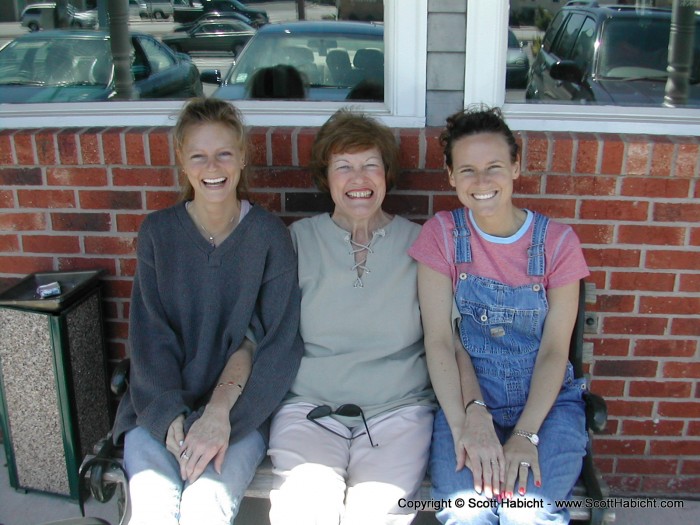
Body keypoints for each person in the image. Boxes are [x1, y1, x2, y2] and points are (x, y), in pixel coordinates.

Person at [111, 97, 304, 525]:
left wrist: (222, 418)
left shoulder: (269, 237)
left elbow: (276, 344)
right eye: (198, 155)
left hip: (242, 413)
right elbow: (149, 337)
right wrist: (168, 416)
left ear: (242, 158)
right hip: (158, 404)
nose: (212, 167)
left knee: (206, 509)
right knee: (154, 511)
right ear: (182, 160)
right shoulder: (159, 233)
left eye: (223, 154)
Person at [409, 106, 589, 524]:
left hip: (548, 406)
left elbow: (553, 352)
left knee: (526, 511)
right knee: (465, 511)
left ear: (515, 167)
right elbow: (438, 339)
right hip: (467, 398)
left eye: (494, 167)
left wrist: (526, 435)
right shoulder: (441, 235)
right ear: (451, 175)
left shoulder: (559, 243)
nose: (482, 182)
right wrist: (463, 423)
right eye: (467, 170)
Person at [267, 109, 435, 525]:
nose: (358, 179)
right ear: (326, 177)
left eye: (370, 166)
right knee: (305, 511)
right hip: (310, 409)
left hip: (399, 410)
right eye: (344, 166)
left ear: (386, 174)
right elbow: (267, 331)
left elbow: (443, 339)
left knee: (376, 515)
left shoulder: (420, 243)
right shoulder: (298, 239)